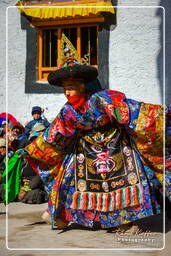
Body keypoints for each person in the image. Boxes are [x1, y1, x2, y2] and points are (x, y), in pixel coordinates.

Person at [20, 59, 169, 230]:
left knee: (125, 181)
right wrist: (31, 149)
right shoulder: (68, 111)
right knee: (68, 181)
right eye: (64, 88)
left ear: (82, 85)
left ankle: (127, 221)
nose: (67, 93)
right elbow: (54, 133)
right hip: (84, 151)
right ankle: (62, 215)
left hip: (116, 146)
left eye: (70, 87)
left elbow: (134, 112)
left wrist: (164, 115)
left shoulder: (103, 99)